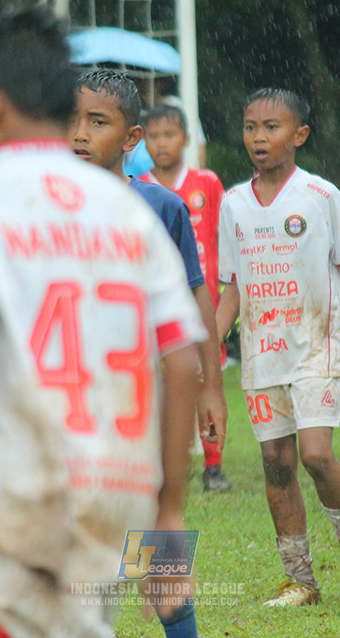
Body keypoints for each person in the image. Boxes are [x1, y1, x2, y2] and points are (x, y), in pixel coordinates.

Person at [0, 7, 206, 638]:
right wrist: (172, 504)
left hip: (33, 487)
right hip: (123, 484)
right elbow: (183, 357)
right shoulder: (128, 209)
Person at [214, 88, 340, 607]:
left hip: (319, 346)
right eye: (251, 126)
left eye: (272, 127)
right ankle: (300, 579)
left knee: (316, 455)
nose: (259, 137)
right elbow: (232, 286)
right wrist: (208, 343)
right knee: (276, 463)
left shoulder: (321, 196)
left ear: (299, 135)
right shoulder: (232, 205)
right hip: (262, 352)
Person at [69, 69, 230, 487]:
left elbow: (196, 295)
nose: (80, 134)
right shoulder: (45, 209)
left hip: (146, 387)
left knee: (155, 504)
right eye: (71, 120)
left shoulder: (162, 207)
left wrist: (211, 386)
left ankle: (162, 555)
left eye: (98, 122)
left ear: (131, 138)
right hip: (70, 391)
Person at [139, 103, 232, 490]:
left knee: (202, 380)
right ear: (141, 140)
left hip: (201, 300)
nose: (162, 143)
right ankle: (161, 466)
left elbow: (222, 235)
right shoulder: (138, 187)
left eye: (170, 135)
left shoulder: (206, 183)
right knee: (164, 385)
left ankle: (212, 465)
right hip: (157, 308)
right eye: (154, 135)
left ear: (186, 140)